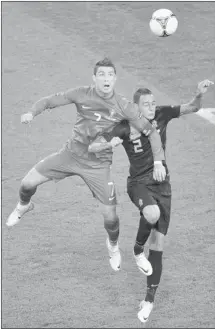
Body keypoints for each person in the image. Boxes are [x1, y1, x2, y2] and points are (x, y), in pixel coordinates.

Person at [6, 57, 166, 273]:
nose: (106, 78)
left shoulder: (124, 106)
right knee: (26, 184)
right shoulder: (81, 93)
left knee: (111, 217)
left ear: (115, 78)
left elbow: (151, 132)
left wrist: (158, 162)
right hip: (70, 155)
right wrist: (31, 112)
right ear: (94, 78)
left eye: (110, 74)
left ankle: (113, 246)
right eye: (102, 74)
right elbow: (50, 101)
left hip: (98, 165)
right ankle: (24, 206)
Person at [88, 79, 214, 322]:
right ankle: (136, 250)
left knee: (158, 245)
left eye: (153, 103)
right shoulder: (124, 126)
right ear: (135, 107)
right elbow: (94, 145)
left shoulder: (162, 114)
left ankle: (148, 301)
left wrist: (199, 94)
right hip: (139, 184)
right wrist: (108, 144)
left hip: (162, 185)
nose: (151, 107)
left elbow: (192, 108)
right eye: (146, 104)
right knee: (152, 215)